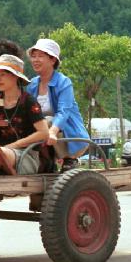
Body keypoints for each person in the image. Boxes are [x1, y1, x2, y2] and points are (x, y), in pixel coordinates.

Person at [26, 38, 90, 172]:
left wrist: (52, 132)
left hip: (69, 138)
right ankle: (43, 160)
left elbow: (64, 112)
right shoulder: (32, 84)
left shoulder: (63, 82)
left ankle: (70, 159)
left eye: (40, 56)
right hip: (46, 139)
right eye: (33, 56)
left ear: (52, 60)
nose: (35, 60)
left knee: (46, 121)